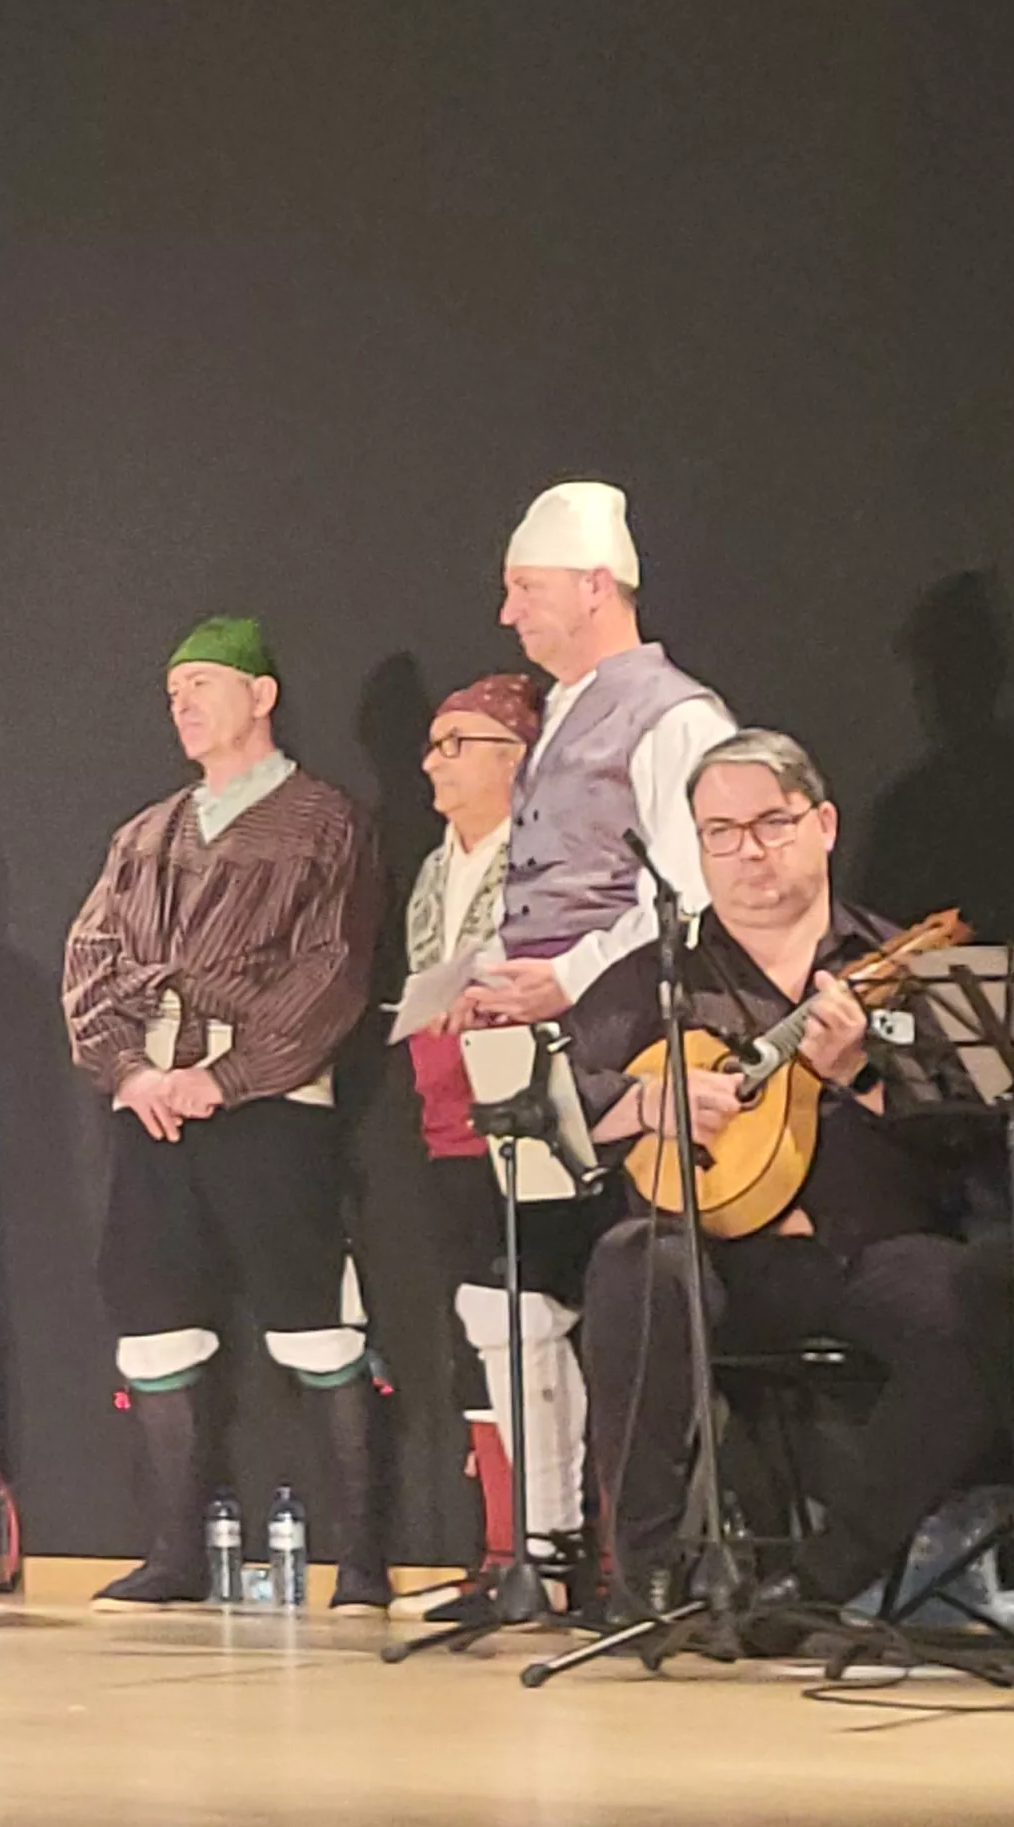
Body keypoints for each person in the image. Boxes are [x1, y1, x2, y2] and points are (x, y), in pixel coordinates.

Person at [567, 730, 997, 1618]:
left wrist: (863, 1075)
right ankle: (642, 1574)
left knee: (979, 1308)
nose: (748, 851)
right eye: (719, 832)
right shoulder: (657, 977)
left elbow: (980, 1130)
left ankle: (818, 1583)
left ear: (825, 823)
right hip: (714, 1256)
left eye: (770, 822)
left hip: (867, 1249)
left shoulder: (903, 964)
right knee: (632, 1262)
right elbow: (553, 1097)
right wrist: (650, 1104)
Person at [64, 620, 388, 1613]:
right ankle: (172, 1552)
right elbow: (93, 960)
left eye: (203, 684)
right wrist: (130, 1068)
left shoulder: (323, 820)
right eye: (173, 691)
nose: (185, 704)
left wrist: (232, 1072)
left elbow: (331, 969)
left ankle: (364, 1558)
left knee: (313, 1319)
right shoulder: (145, 832)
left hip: (269, 1110)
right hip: (151, 1110)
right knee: (156, 1324)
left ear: (261, 692)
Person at [396, 674, 594, 1598]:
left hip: (533, 1104)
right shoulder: (438, 867)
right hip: (450, 1111)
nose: (435, 762)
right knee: (484, 1320)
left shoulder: (553, 855)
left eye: (457, 743)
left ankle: (560, 1546)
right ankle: (511, 1547)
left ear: (519, 758)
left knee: (527, 1310)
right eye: (433, 745)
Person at [468, 481, 740, 1026]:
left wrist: (571, 977)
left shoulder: (676, 716)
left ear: (593, 586)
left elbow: (691, 897)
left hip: (632, 1025)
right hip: (550, 1029)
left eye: (527, 588)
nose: (508, 612)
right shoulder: (559, 712)